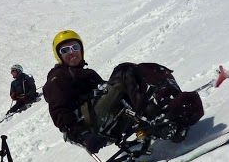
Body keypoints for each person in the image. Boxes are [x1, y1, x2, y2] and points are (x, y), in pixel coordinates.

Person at [43, 30, 203, 154]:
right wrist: (82, 135)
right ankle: (157, 123)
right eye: (65, 50)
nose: (72, 52)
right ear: (59, 56)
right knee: (124, 71)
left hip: (105, 116)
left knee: (146, 70)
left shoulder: (87, 73)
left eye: (75, 47)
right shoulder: (58, 76)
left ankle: (173, 108)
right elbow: (59, 111)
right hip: (89, 125)